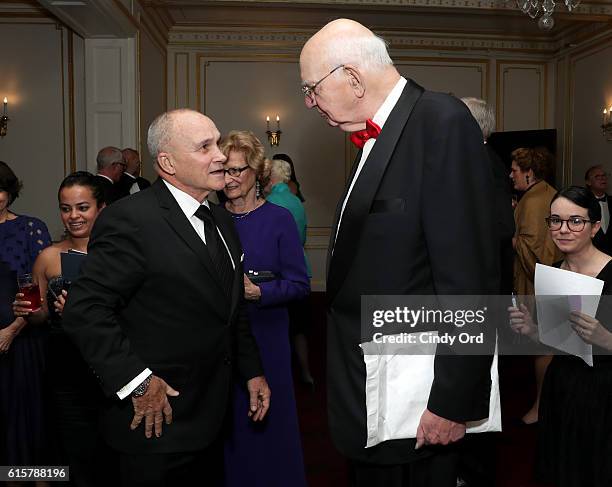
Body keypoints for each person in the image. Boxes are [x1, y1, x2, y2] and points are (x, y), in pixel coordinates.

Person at [300, 19, 498, 486]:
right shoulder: (381, 134)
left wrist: (452, 400)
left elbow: (469, 274)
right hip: (374, 380)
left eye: (311, 88)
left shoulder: (438, 120)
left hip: (416, 393)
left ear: (351, 76)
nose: (308, 102)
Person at [62, 110, 270, 487]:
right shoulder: (132, 218)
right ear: (167, 162)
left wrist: (251, 370)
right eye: (205, 147)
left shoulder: (221, 220)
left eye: (217, 144)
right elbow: (85, 310)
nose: (221, 156)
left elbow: (230, 307)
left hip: (211, 416)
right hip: (155, 419)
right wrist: (138, 382)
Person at [13, 171, 114, 487]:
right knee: (74, 455)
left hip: (111, 367)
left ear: (101, 208)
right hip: (65, 367)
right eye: (65, 208)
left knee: (112, 455)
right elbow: (41, 316)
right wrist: (29, 313)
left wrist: (85, 312)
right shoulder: (48, 257)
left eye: (82, 207)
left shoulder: (119, 256)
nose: (74, 216)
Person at [219, 131, 309, 487]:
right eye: (224, 170)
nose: (231, 178)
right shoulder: (211, 220)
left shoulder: (278, 219)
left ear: (258, 173)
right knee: (228, 426)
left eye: (239, 170)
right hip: (221, 341)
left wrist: (260, 292)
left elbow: (300, 285)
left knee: (268, 422)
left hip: (267, 335)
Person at [509, 185, 612, 487]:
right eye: (555, 220)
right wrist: (532, 330)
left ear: (594, 227)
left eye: (575, 221)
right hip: (562, 386)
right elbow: (557, 339)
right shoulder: (553, 271)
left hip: (604, 394)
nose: (563, 229)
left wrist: (606, 338)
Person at [0, 161, 52, 475]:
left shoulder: (29, 228)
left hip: (21, 343)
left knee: (27, 428)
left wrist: (11, 331)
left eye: (1, 189)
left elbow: (35, 292)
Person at [510, 146, 562, 425]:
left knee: (542, 348)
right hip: (547, 282)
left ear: (529, 173)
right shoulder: (542, 194)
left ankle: (541, 407)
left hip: (538, 285)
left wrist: (513, 238)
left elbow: (535, 254)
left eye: (516, 170)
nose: (511, 175)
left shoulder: (533, 201)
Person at [266, 157, 315, 386]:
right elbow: (303, 236)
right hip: (301, 270)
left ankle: (281, 376)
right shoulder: (296, 200)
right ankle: (305, 373)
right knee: (300, 328)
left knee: (279, 329)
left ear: (271, 177)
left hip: (279, 274)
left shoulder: (270, 202)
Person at [585, 165, 611, 255]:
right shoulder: (583, 203)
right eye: (597, 176)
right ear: (588, 182)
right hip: (589, 254)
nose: (602, 178)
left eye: (604, 176)